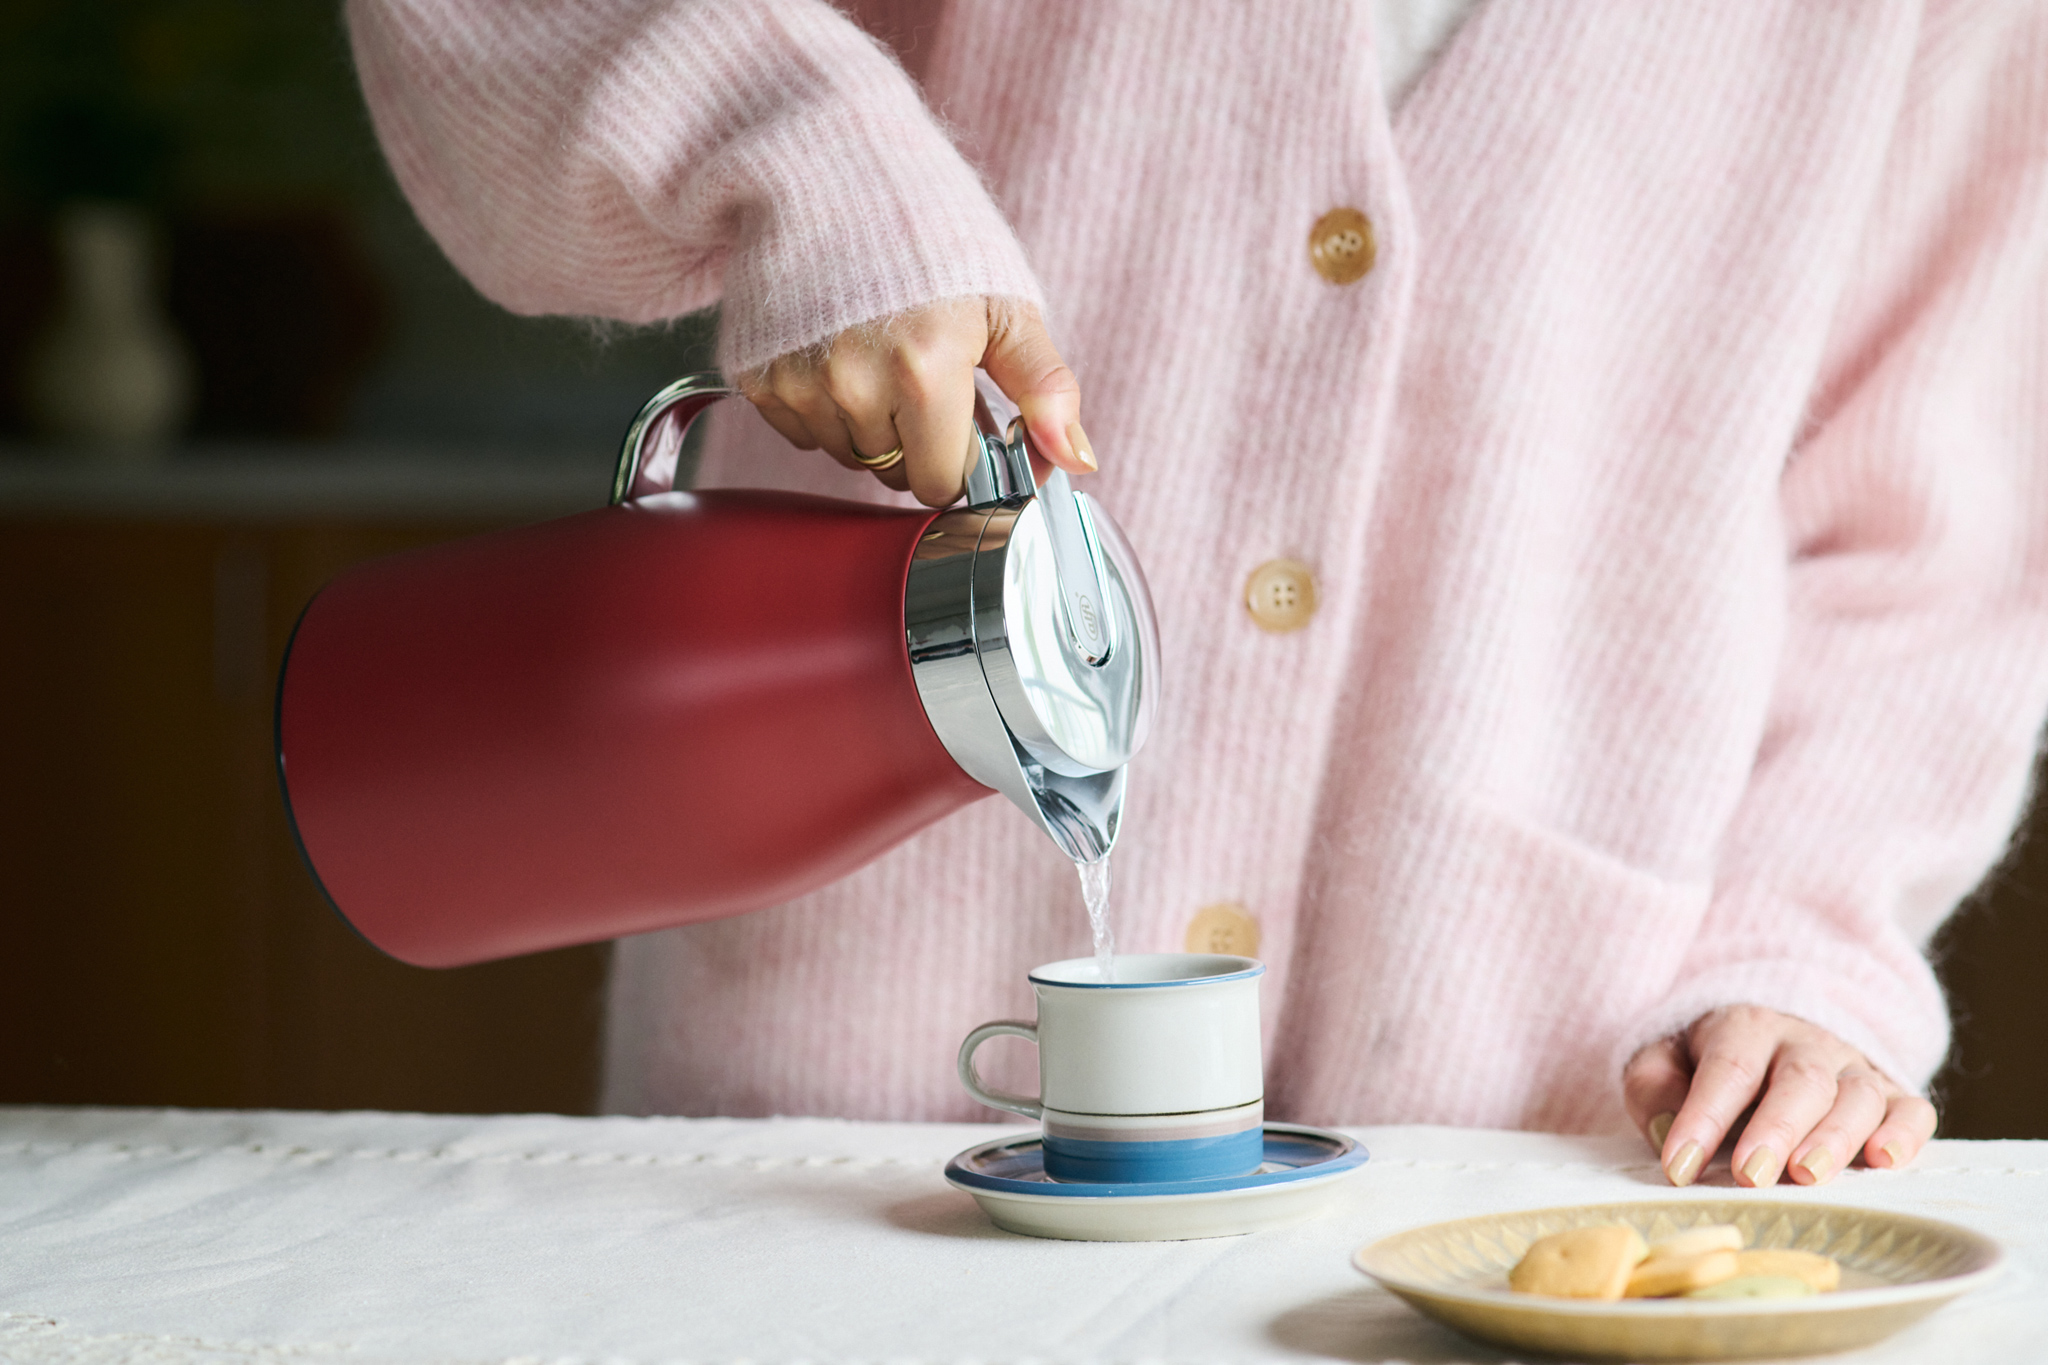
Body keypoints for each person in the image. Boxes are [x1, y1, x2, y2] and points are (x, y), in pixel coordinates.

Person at [345, 0, 2048, 1188]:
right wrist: (807, 146)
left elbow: (1931, 545)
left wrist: (1799, 958)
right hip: (847, 1086)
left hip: (1545, 1101)